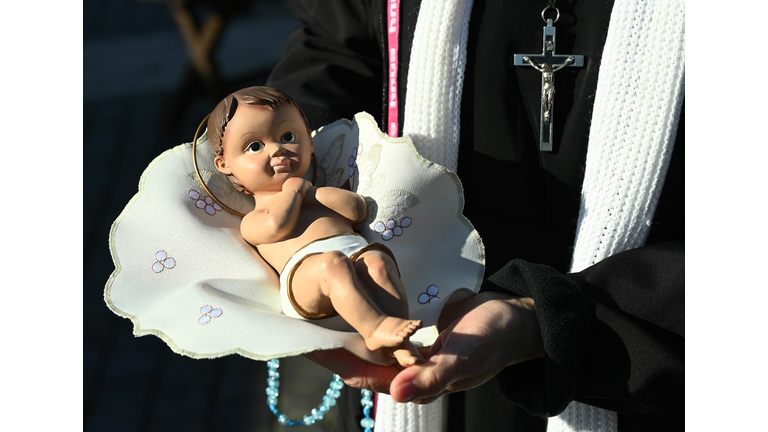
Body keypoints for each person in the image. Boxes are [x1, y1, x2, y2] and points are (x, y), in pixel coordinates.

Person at [265, 0, 684, 431]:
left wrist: (547, 321)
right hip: (423, 328)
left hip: (641, 351)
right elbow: (340, 38)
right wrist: (288, 158)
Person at [207, 86, 425, 367]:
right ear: (225, 164)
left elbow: (357, 210)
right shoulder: (254, 218)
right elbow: (277, 225)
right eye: (255, 146)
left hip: (355, 251)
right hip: (306, 278)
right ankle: (375, 329)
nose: (277, 149)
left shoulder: (317, 193)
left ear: (310, 144)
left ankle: (400, 341)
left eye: (288, 137)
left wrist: (311, 193)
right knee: (332, 265)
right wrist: (294, 192)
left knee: (379, 264)